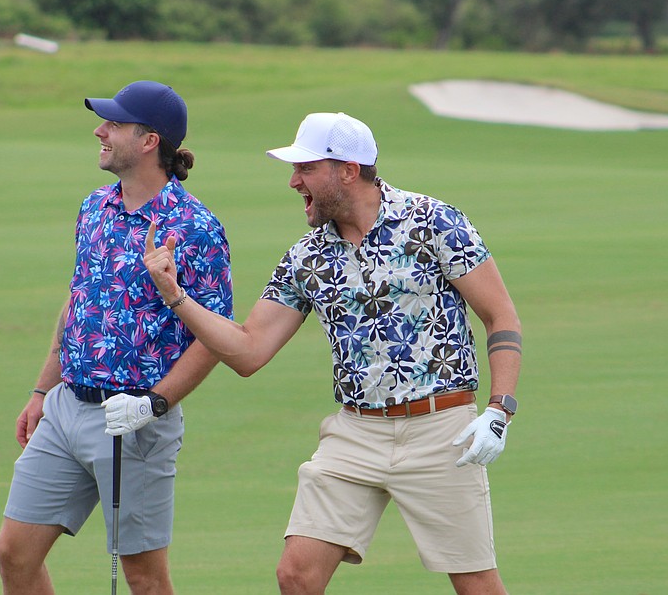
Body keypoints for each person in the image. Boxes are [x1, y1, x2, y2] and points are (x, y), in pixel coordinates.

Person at [141, 112, 522, 595]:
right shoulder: (307, 256)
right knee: (296, 574)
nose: (293, 181)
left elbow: (500, 316)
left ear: (347, 169)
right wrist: (176, 296)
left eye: (306, 169)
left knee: (476, 586)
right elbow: (249, 351)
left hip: (441, 430)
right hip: (354, 433)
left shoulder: (433, 222)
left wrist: (498, 409)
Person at [0, 80, 233, 595]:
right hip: (65, 408)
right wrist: (41, 392)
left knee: (144, 579)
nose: (100, 131)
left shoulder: (194, 227)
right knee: (14, 554)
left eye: (114, 125)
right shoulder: (95, 207)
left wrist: (155, 403)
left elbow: (215, 337)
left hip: (137, 421)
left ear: (149, 141)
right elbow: (80, 299)